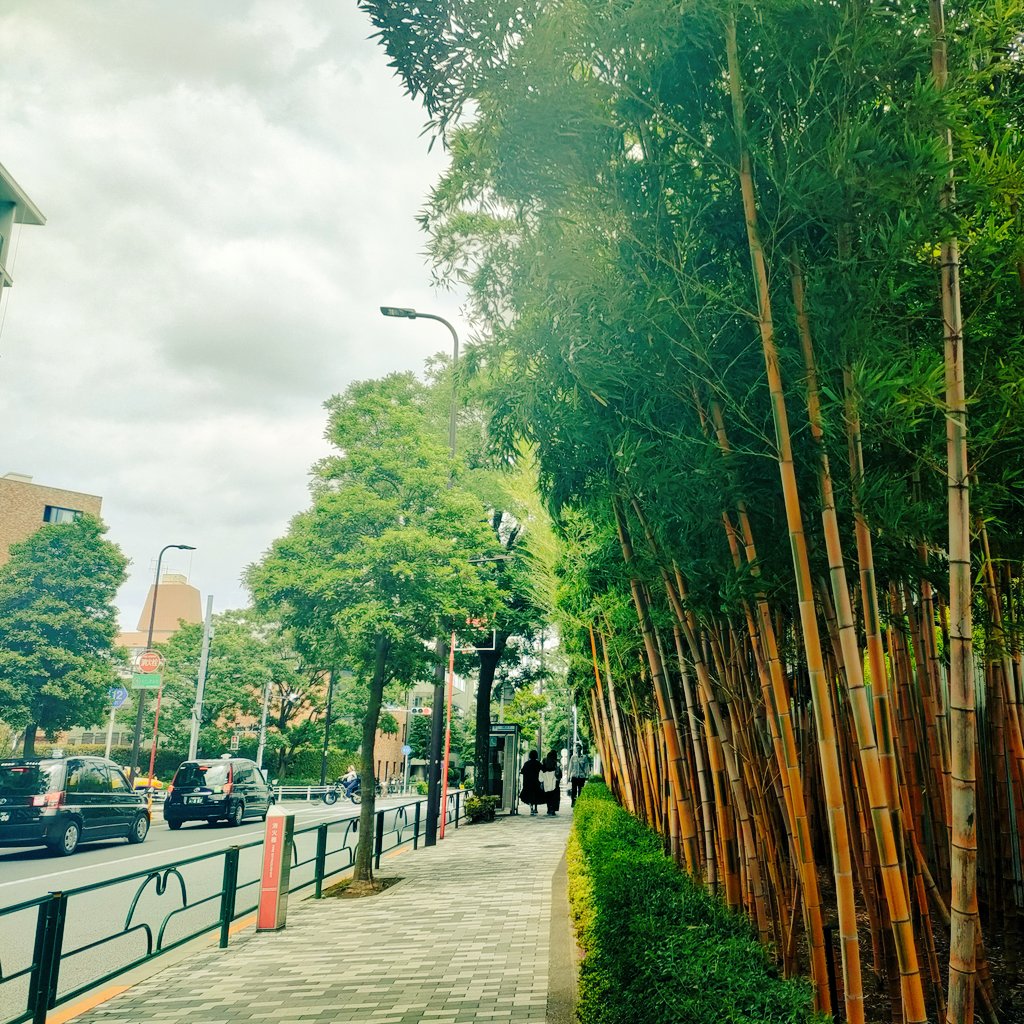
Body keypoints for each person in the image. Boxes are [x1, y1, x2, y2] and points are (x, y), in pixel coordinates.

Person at [520, 750, 544, 815]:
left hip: (528, 782)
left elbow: (522, 771)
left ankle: (531, 808)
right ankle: (536, 808)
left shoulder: (527, 763)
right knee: (536, 795)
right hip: (536, 782)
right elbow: (543, 770)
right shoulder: (538, 763)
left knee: (529, 796)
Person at [541, 750, 562, 815]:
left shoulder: (544, 761)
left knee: (548, 795)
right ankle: (553, 809)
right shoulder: (556, 763)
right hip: (554, 781)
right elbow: (559, 774)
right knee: (554, 796)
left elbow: (541, 771)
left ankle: (549, 808)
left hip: (546, 781)